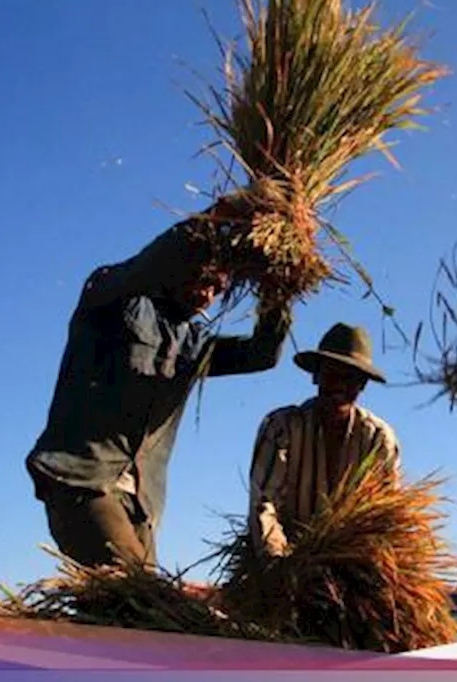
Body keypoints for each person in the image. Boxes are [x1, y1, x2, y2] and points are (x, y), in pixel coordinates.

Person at [25, 200, 292, 568]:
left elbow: (261, 355)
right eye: (203, 276)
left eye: (218, 286)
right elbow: (157, 259)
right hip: (83, 482)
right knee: (141, 594)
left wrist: (278, 287)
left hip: (142, 502)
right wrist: (225, 213)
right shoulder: (112, 298)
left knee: (133, 615)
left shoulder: (193, 344)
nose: (207, 293)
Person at [248, 323, 400, 558]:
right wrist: (277, 561)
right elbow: (264, 503)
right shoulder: (281, 427)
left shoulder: (378, 439)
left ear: (362, 384)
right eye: (331, 374)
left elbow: (384, 515)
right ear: (316, 376)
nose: (339, 385)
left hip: (352, 562)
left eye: (349, 378)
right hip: (285, 554)